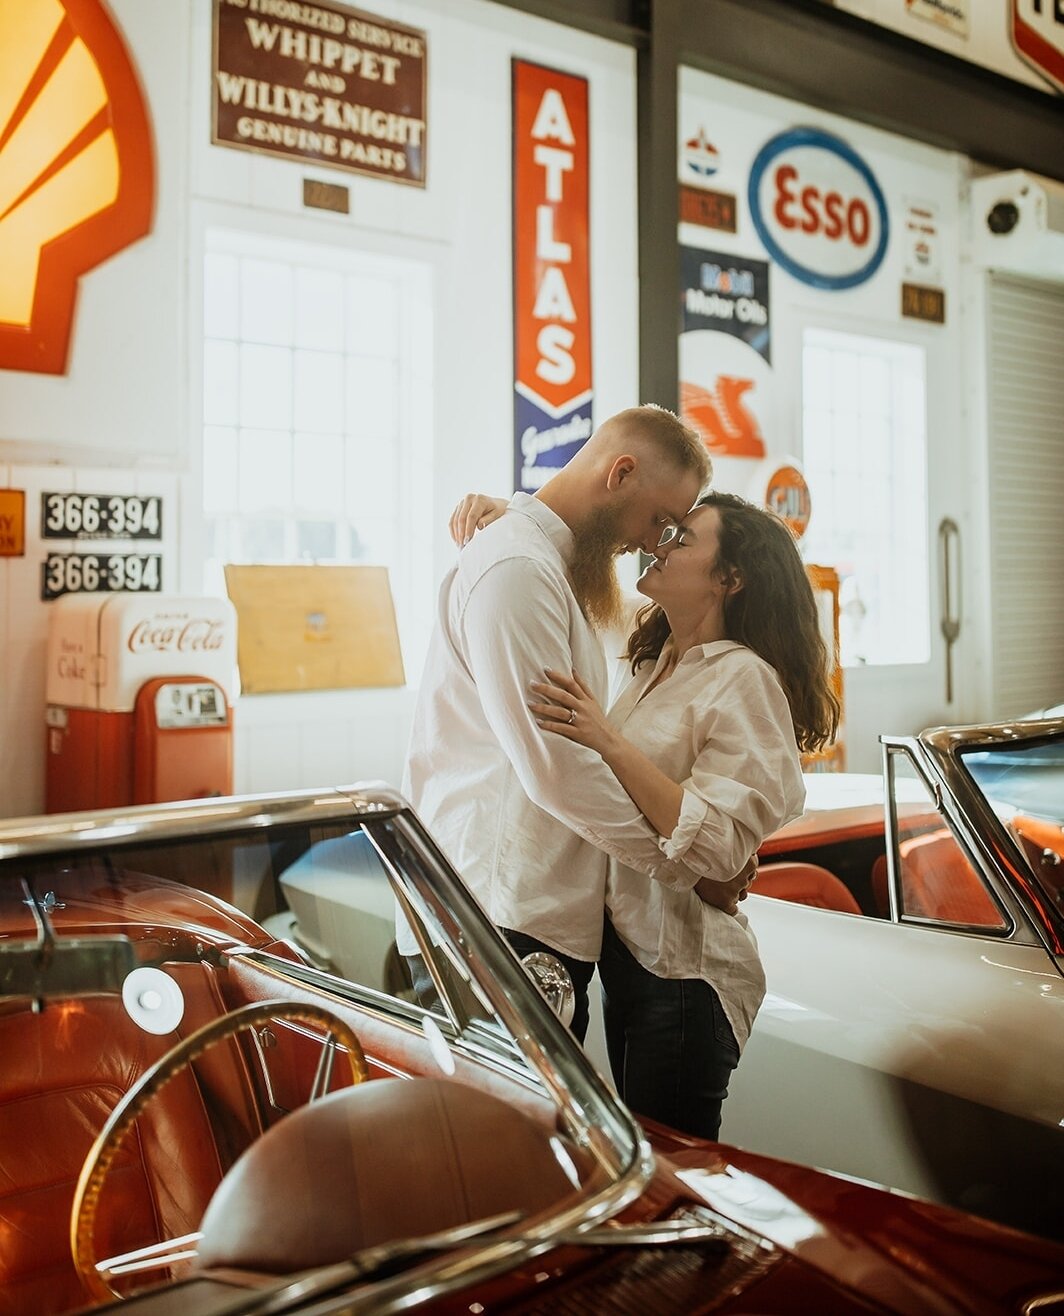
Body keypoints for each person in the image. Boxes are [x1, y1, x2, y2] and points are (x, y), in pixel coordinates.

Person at [399, 406, 752, 1042]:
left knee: (538, 1138)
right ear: (620, 473)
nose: (654, 542)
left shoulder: (546, 565)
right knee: (505, 1137)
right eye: (660, 521)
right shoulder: (517, 569)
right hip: (497, 913)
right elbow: (557, 772)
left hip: (532, 914)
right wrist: (692, 868)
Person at [524, 491, 840, 1137]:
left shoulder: (745, 678)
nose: (657, 545)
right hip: (634, 960)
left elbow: (720, 845)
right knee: (647, 1161)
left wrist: (605, 740)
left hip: (686, 976)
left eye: (682, 538)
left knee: (674, 1177)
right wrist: (502, 513)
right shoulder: (653, 666)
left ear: (730, 578)